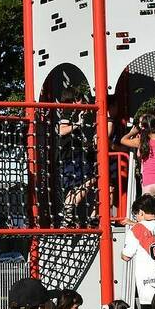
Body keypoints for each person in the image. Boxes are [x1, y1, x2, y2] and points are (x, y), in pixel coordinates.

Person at [57, 89, 96, 227]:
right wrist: (77, 124)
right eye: (82, 101)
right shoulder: (68, 112)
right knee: (88, 179)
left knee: (77, 185)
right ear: (75, 100)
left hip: (75, 156)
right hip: (71, 157)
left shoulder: (71, 113)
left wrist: (87, 144)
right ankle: (68, 210)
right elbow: (62, 131)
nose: (84, 105)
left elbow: (73, 136)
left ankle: (68, 215)